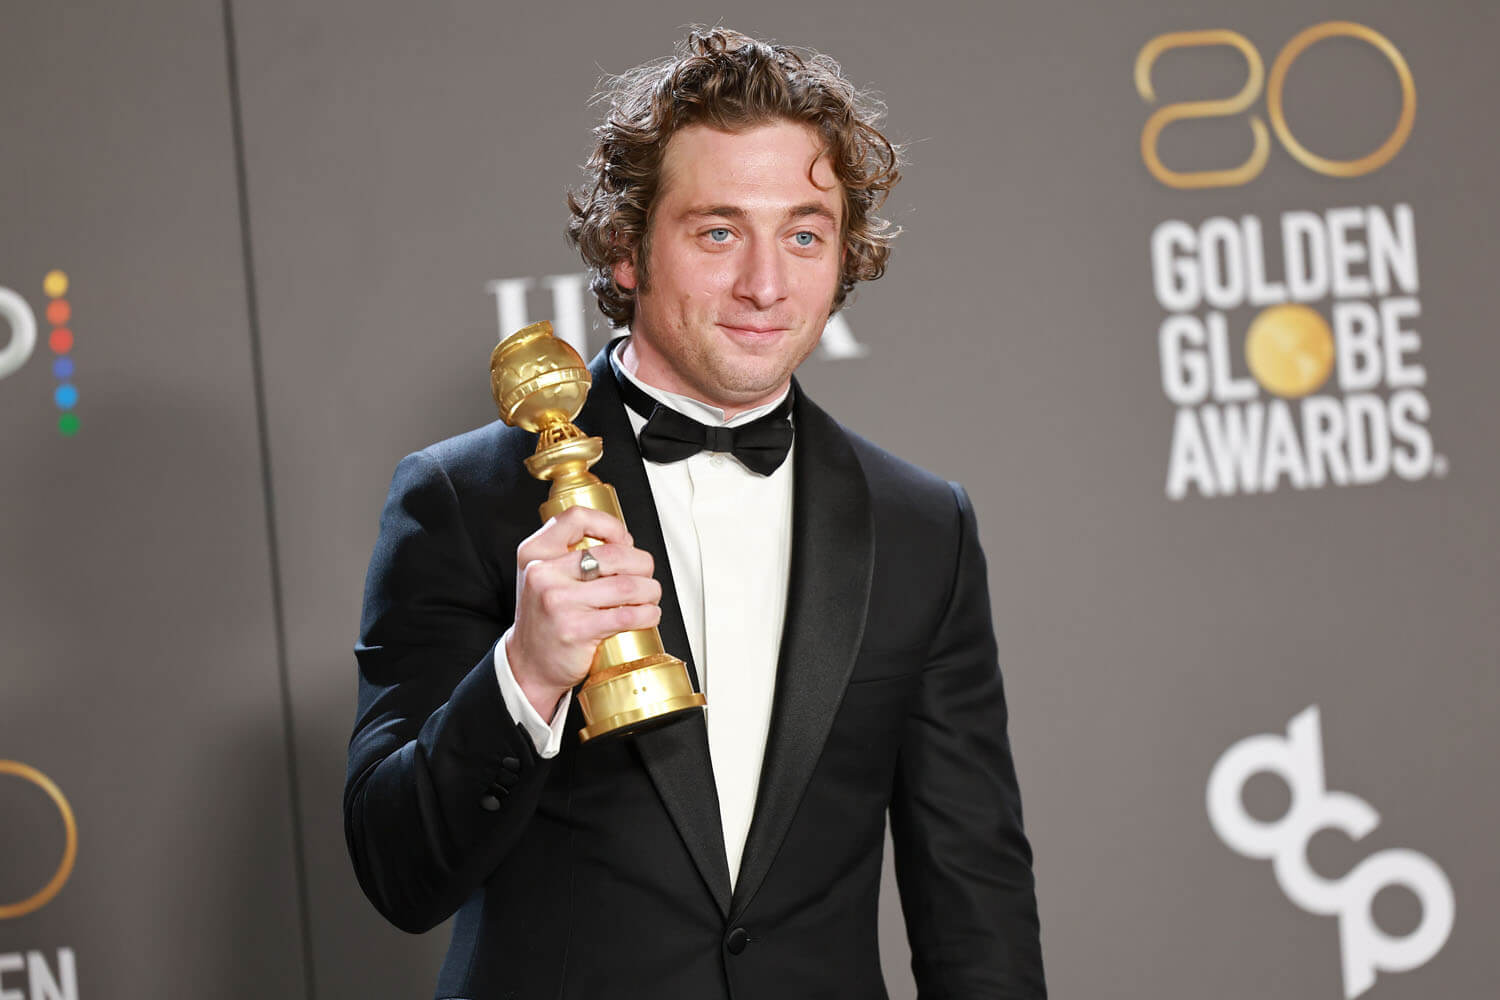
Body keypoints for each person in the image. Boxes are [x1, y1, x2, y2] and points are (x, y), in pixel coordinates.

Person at [347, 27, 1045, 999]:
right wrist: (527, 674)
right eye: (719, 232)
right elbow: (399, 873)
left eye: (803, 234)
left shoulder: (923, 526)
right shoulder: (465, 499)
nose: (766, 284)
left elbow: (976, 903)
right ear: (627, 250)